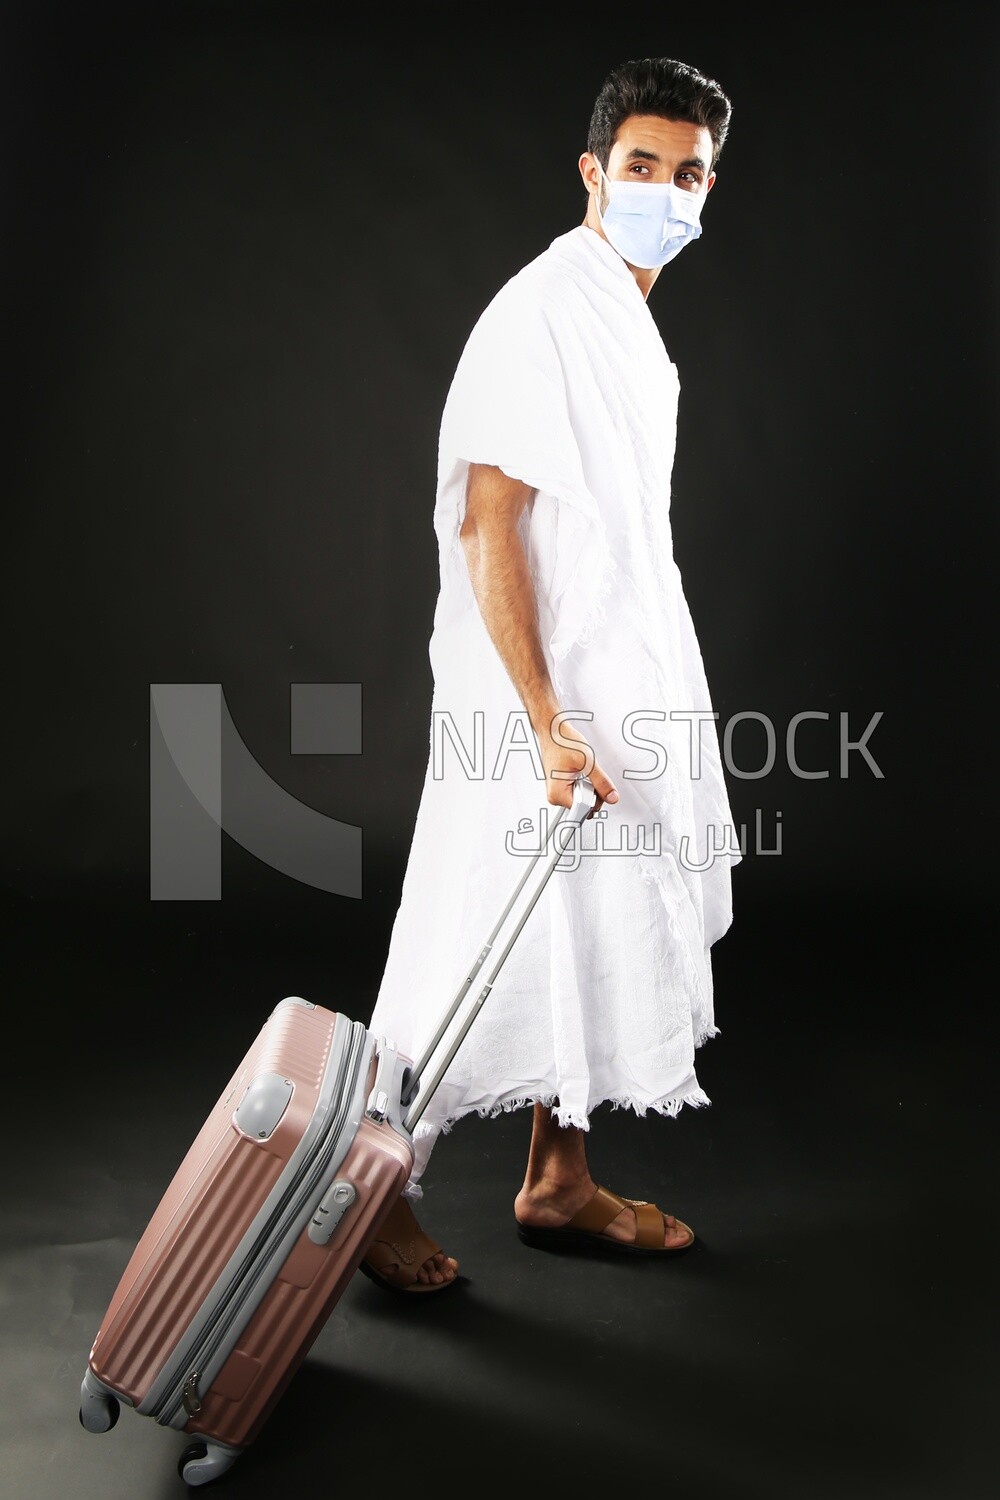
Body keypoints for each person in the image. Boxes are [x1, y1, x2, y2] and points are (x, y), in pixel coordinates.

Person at [359, 55, 742, 1291]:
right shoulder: (542, 309)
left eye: (689, 174)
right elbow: (489, 521)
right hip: (534, 692)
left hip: (610, 670)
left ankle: (558, 1178)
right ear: (593, 171)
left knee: (583, 920)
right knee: (471, 928)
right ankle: (368, 1194)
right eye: (643, 167)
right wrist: (543, 719)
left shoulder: (621, 308)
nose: (666, 193)